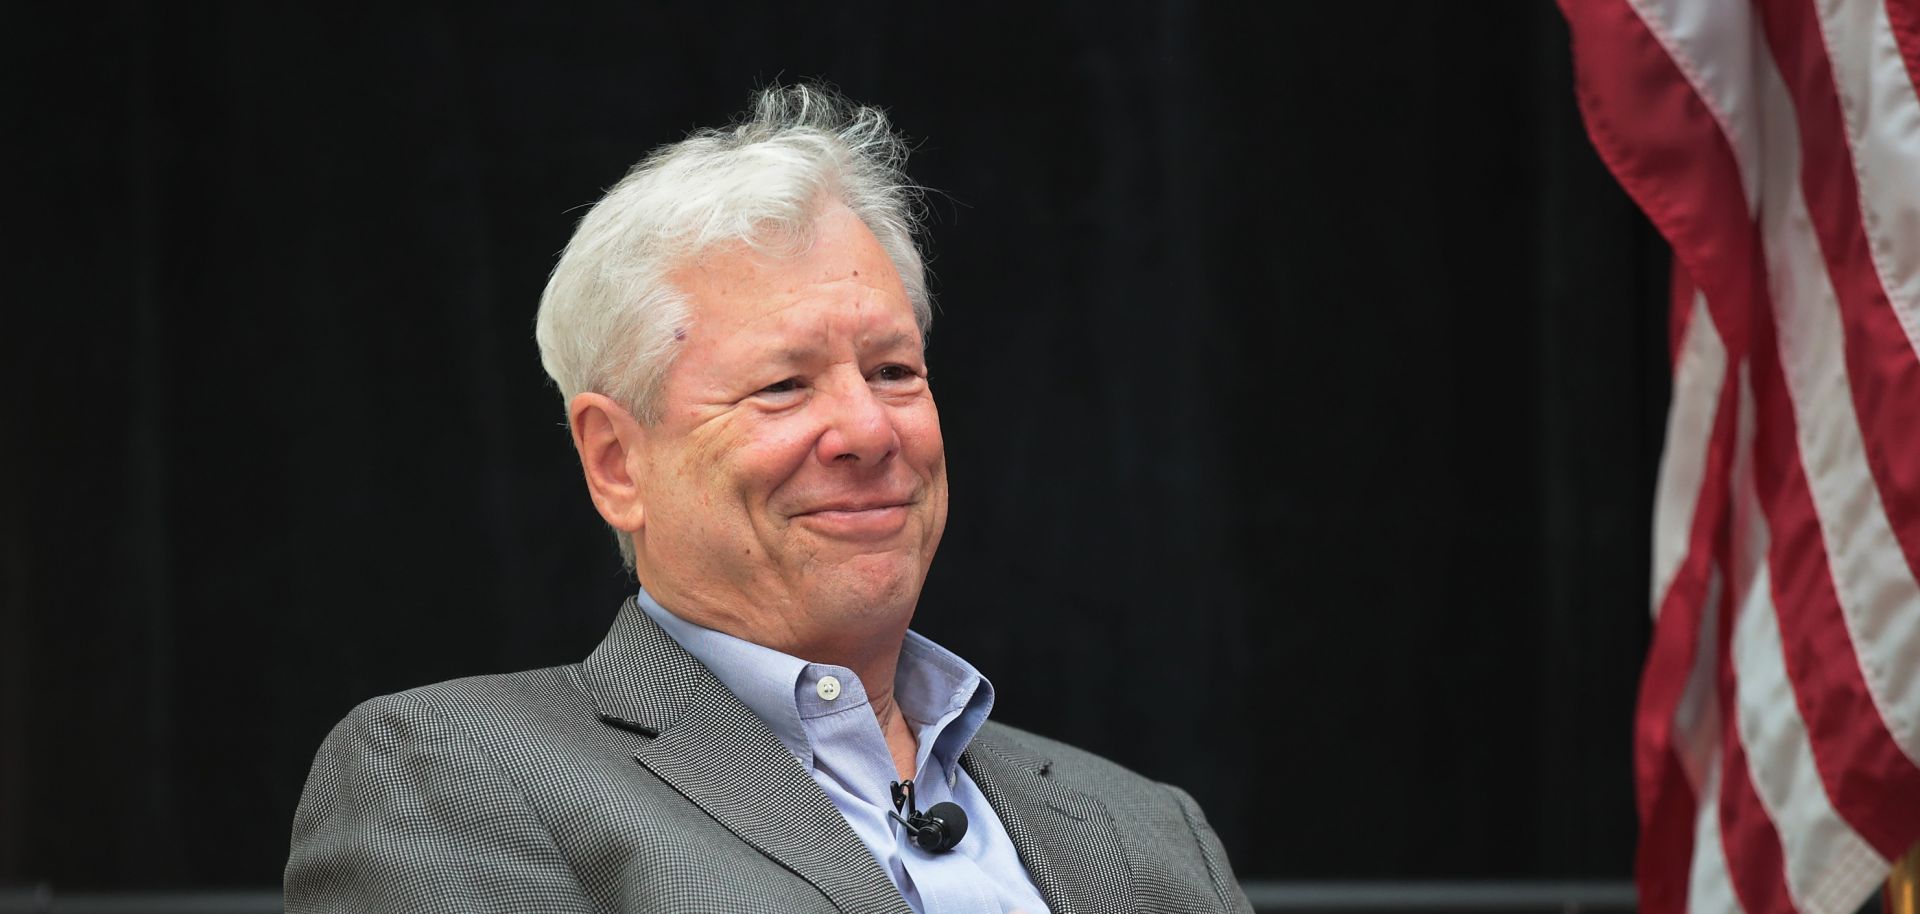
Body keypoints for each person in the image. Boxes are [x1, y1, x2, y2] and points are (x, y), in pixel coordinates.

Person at [284, 83, 1253, 914]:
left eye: (893, 369)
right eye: (783, 385)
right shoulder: (458, 771)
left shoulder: (1147, 828)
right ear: (617, 461)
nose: (870, 430)